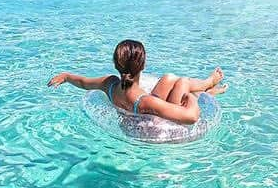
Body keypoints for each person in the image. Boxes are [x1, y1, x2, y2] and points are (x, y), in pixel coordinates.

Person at [47, 39, 226, 125]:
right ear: (143, 65)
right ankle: (207, 86)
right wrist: (191, 98)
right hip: (151, 126)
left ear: (116, 64)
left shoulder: (109, 83)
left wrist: (66, 76)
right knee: (183, 84)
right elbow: (191, 118)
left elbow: (84, 82)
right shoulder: (145, 102)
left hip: (136, 111)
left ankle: (205, 88)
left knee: (169, 78)